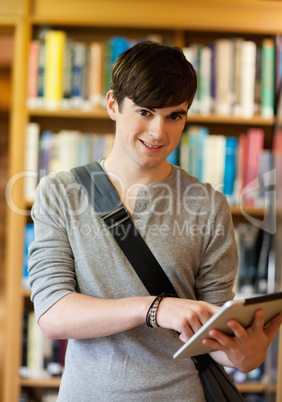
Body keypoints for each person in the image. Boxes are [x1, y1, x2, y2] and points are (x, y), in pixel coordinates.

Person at [29, 41, 282, 401]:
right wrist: (155, 308)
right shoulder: (60, 193)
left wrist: (245, 353)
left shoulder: (208, 205)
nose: (158, 132)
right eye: (145, 112)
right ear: (113, 104)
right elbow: (53, 314)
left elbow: (211, 335)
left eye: (174, 116)